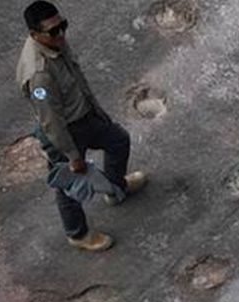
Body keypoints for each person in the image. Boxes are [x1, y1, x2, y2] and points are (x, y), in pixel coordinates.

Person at [16, 1, 148, 251]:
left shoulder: (54, 44)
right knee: (69, 186)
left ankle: (115, 187)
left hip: (85, 116)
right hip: (65, 132)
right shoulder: (39, 74)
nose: (61, 34)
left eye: (62, 26)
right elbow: (51, 121)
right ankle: (77, 234)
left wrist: (96, 110)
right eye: (53, 31)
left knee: (118, 140)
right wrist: (72, 156)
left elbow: (76, 79)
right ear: (35, 35)